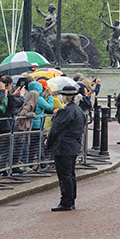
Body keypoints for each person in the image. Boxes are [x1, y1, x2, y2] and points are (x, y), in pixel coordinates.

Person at [45, 84, 86, 212]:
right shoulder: (78, 110)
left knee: (64, 175)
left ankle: (66, 201)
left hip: (63, 146)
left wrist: (49, 142)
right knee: (70, 174)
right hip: (73, 145)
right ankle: (70, 199)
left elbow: (55, 128)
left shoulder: (66, 111)